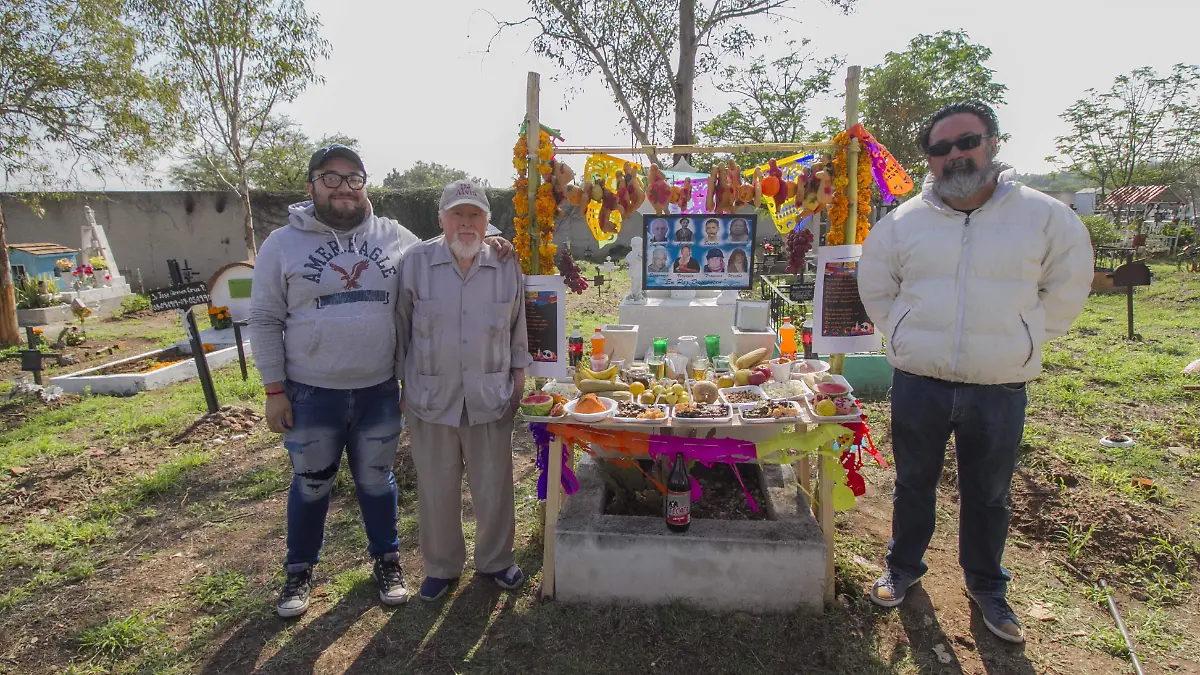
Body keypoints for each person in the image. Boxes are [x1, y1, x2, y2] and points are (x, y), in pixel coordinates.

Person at [857, 101, 1093, 644]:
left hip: (999, 383)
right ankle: (903, 566)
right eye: (941, 149)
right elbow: (877, 286)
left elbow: (1067, 285)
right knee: (913, 484)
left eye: (967, 142)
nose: (956, 156)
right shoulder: (903, 224)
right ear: (930, 159)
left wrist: (1024, 337)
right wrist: (907, 330)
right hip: (920, 378)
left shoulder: (1044, 217)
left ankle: (987, 585)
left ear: (991, 142)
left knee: (988, 493)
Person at [251, 146, 511, 619]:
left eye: (354, 179)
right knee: (311, 484)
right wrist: (273, 390)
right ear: (310, 184)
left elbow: (458, 236)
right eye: (331, 178)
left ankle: (388, 562)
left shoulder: (393, 235)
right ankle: (299, 571)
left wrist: (495, 237)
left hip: (377, 390)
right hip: (312, 391)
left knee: (377, 481)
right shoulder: (280, 243)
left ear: (365, 184)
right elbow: (266, 318)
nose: (344, 187)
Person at [396, 180, 532, 602]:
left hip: (490, 393)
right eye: (458, 215)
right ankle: (441, 566)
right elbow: (400, 330)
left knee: (494, 485)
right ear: (442, 220)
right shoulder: (415, 263)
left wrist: (520, 382)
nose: (466, 223)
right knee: (437, 487)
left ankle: (495, 560)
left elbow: (517, 327)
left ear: (488, 221)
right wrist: (403, 386)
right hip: (431, 398)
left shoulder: (506, 264)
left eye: (475, 215)